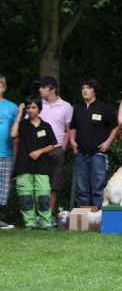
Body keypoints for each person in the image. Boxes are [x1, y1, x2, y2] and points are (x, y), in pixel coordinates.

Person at [69, 78, 119, 208]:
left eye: (88, 88)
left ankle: (98, 218)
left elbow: (115, 126)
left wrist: (108, 142)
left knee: (98, 188)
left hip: (98, 154)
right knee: (82, 189)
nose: (84, 91)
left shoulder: (104, 108)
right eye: (83, 88)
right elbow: (72, 127)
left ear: (94, 91)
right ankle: (84, 218)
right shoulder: (77, 108)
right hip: (80, 153)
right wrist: (72, 141)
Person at [11, 95, 57, 230]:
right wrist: (19, 113)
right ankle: (29, 223)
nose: (30, 110)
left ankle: (46, 223)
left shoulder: (46, 126)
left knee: (43, 195)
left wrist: (39, 151)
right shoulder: (23, 125)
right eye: (28, 108)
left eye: (33, 107)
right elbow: (13, 134)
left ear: (39, 109)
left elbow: (52, 145)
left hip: (42, 166)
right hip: (24, 166)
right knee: (25, 196)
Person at [38, 76, 73, 214]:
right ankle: (38, 215)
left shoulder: (66, 106)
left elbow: (69, 129)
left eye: (42, 87)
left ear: (52, 89)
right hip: (40, 151)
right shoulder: (37, 104)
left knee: (54, 185)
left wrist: (63, 148)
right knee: (39, 184)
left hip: (57, 149)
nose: (39, 90)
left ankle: (49, 216)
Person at [0, 74, 18, 229]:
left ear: (4, 88)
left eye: (0, 84)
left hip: (6, 153)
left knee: (3, 189)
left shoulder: (12, 107)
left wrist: (16, 154)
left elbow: (16, 134)